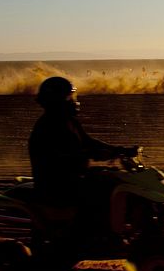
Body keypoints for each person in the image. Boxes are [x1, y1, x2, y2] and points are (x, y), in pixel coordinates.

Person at [28, 76, 137, 226]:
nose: (73, 100)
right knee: (106, 191)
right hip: (58, 186)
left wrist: (119, 150)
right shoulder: (47, 126)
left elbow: (89, 142)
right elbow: (61, 157)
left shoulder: (68, 121)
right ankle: (99, 232)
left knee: (112, 178)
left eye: (72, 96)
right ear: (57, 100)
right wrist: (94, 155)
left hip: (74, 179)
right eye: (69, 97)